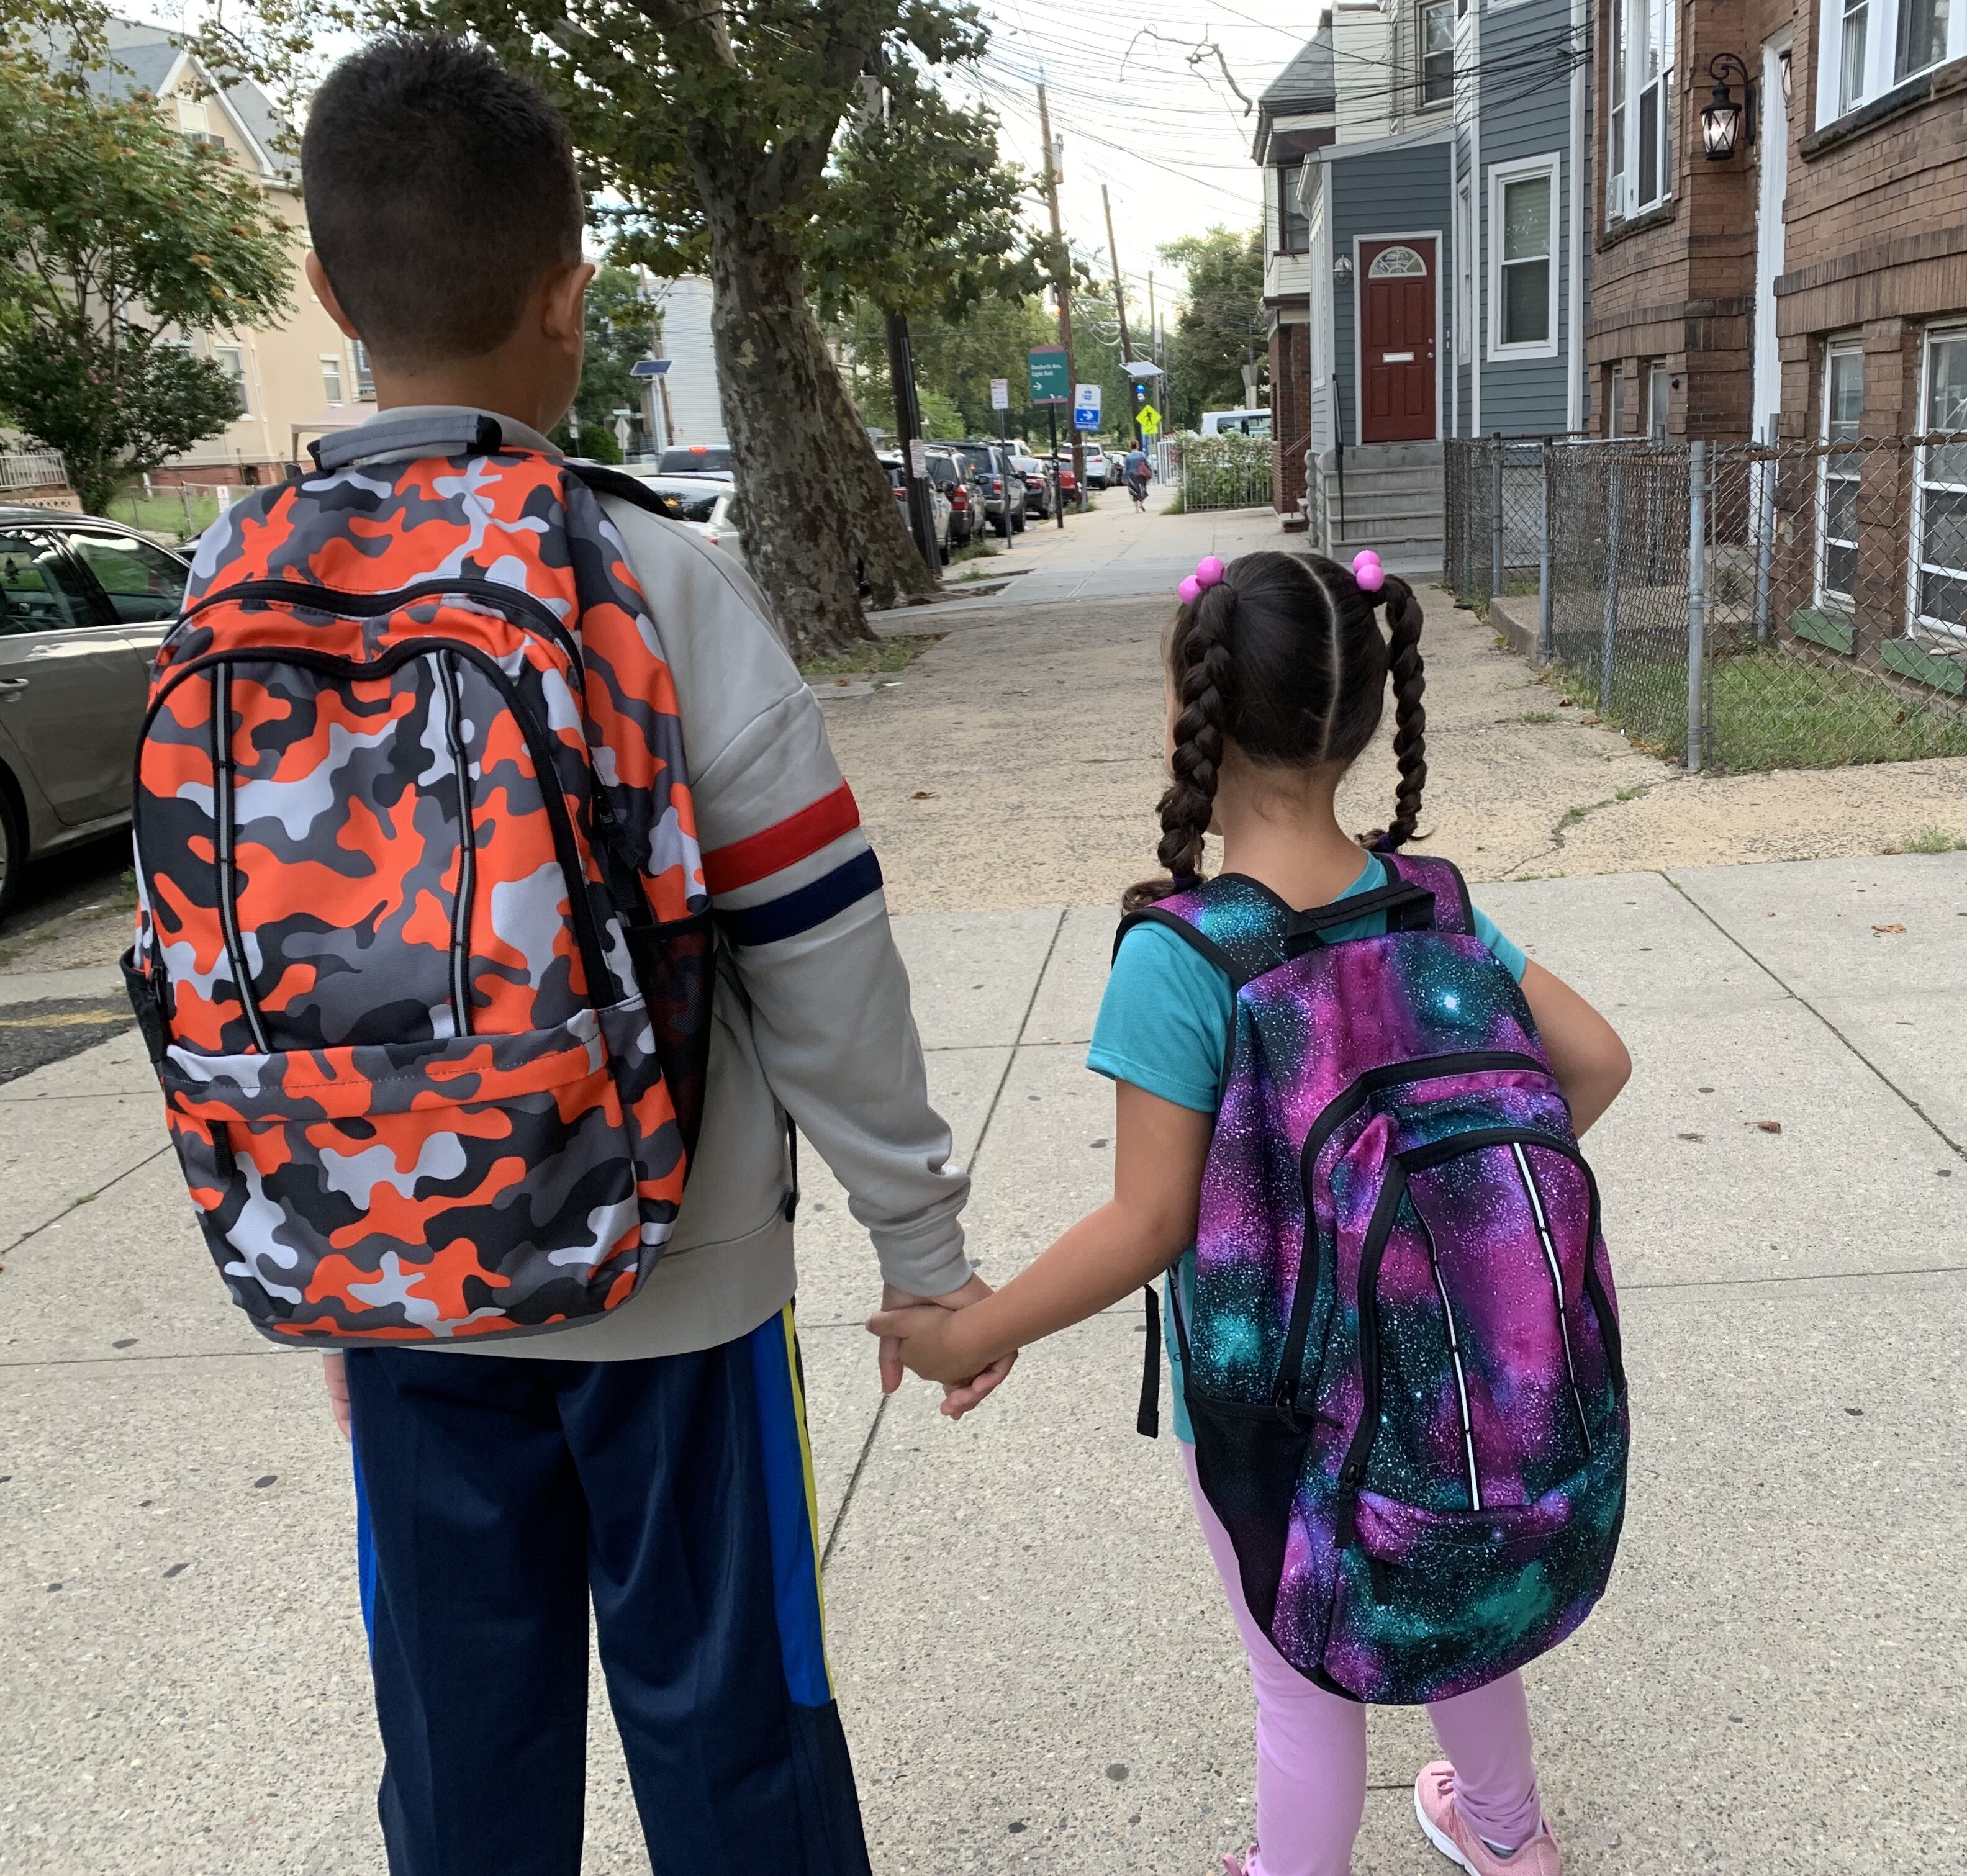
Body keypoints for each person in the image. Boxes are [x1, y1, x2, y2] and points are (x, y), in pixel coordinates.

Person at [289, 35, 1008, 1875]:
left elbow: (226, 965)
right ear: (569, 295)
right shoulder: (653, 578)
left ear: (323, 290)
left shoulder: (242, 587)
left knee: (462, 1760)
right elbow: (818, 950)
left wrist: (328, 1235)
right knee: (735, 1738)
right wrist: (918, 1248)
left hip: (402, 1289)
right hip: (670, 1283)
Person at [871, 550, 1632, 1876]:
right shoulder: (1434, 906)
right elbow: (1596, 1062)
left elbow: (1149, 1221)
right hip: (1474, 1368)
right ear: (1362, 719)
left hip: (1285, 1396)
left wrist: (974, 1327)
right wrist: (1455, 1219)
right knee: (1464, 1583)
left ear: (1196, 716)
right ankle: (1509, 1835)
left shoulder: (1187, 952)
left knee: (1301, 1668)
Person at [1124, 439, 1152, 508]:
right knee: (1142, 489)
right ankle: (1141, 504)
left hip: (1131, 475)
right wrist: (1150, 470)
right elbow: (1147, 464)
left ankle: (1136, 508)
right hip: (1140, 474)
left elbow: (1126, 468)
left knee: (1133, 490)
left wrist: (1124, 477)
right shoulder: (1141, 454)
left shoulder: (1128, 456)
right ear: (1137, 446)